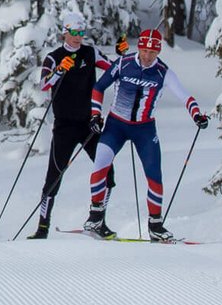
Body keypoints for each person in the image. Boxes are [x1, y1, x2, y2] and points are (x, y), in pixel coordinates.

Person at [86, 28, 208, 242]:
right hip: (116, 125)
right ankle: (95, 217)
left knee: (154, 176)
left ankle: (156, 226)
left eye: (152, 52)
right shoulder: (124, 64)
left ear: (158, 51)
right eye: (144, 50)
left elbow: (185, 96)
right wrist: (96, 115)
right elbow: (98, 87)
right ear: (139, 47)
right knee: (100, 166)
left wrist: (197, 115)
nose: (147, 56)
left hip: (144, 128)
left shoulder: (163, 72)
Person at [28, 10, 114, 238]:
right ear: (65, 33)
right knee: (54, 176)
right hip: (65, 125)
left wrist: (130, 59)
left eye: (82, 32)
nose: (78, 37)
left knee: (108, 172)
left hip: (89, 124)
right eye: (74, 32)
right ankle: (42, 227)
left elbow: (113, 68)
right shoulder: (54, 57)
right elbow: (44, 85)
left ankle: (97, 221)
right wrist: (59, 71)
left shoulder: (90, 52)